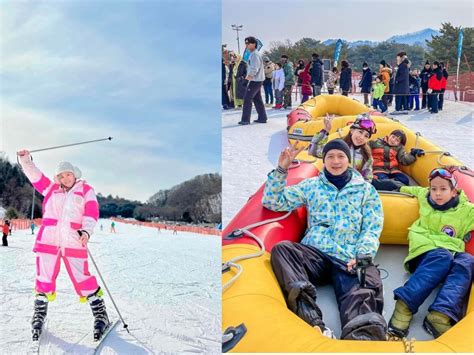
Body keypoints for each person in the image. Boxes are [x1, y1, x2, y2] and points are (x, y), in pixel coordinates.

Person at [265, 139, 386, 341]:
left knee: (362, 287)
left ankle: (361, 337)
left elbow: (372, 227)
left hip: (348, 257)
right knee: (283, 250)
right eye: (330, 156)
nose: (335, 161)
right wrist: (281, 170)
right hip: (317, 254)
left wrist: (363, 255)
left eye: (340, 156)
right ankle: (311, 321)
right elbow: (273, 201)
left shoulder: (365, 190)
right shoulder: (312, 186)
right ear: (324, 160)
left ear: (348, 160)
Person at [16, 150, 111, 342]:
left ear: (74, 174)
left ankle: (101, 315)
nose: (65, 178)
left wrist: (86, 231)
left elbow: (91, 212)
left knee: (83, 278)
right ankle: (39, 315)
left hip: (74, 241)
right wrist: (25, 160)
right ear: (57, 178)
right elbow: (35, 175)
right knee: (44, 278)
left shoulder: (86, 190)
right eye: (61, 175)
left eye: (68, 174)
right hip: (48, 241)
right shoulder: (51, 189)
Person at [387, 168, 474, 339]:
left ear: (454, 191)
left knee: (468, 261)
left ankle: (440, 314)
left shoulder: (467, 210)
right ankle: (404, 306)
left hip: (451, 253)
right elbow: (407, 189)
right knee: (442, 256)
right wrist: (393, 186)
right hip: (424, 251)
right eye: (433, 189)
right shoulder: (424, 196)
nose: (437, 193)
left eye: (443, 189)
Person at [309, 113, 376, 182]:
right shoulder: (337, 145)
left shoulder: (366, 154)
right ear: (352, 130)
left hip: (353, 189)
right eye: (360, 132)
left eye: (366, 136)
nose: (362, 137)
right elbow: (314, 152)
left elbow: (367, 178)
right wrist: (325, 131)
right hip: (332, 186)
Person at [238, 36, 268, 125]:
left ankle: (245, 120)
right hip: (256, 80)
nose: (246, 45)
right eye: (246, 43)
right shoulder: (253, 54)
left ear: (254, 44)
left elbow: (254, 69)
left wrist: (247, 80)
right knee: (257, 99)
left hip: (255, 80)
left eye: (248, 43)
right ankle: (262, 117)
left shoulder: (255, 55)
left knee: (247, 99)